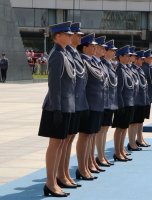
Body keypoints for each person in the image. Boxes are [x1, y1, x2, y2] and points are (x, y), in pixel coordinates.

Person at [38, 21, 75, 197]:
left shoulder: (64, 53)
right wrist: (58, 109)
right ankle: (50, 183)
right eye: (67, 34)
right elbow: (54, 86)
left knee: (60, 144)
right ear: (58, 36)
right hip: (56, 107)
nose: (70, 36)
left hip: (65, 106)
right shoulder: (57, 55)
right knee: (55, 145)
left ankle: (55, 180)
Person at [56, 22, 85, 189]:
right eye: (76, 35)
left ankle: (64, 172)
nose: (78, 37)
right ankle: (61, 174)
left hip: (75, 102)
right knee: (64, 141)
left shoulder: (73, 53)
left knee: (69, 140)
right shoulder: (64, 53)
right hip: (67, 102)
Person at [76, 33, 104, 180]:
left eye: (95, 46)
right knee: (85, 136)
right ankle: (82, 168)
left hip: (97, 104)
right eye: (92, 46)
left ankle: (87, 164)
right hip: (88, 104)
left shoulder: (93, 61)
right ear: (85, 47)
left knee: (91, 136)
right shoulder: (83, 61)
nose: (95, 48)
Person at [95, 39, 118, 167]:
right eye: (111, 50)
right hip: (103, 101)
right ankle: (99, 155)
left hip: (109, 101)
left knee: (104, 129)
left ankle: (102, 155)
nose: (114, 53)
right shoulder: (103, 63)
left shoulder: (109, 64)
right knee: (100, 130)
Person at [112, 45, 135, 162]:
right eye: (126, 56)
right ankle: (117, 152)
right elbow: (119, 90)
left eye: (128, 56)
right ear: (120, 57)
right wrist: (121, 105)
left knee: (124, 128)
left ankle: (121, 150)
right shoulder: (120, 70)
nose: (128, 58)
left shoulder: (126, 68)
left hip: (129, 102)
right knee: (120, 129)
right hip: (123, 104)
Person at [127, 49, 150, 151]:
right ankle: (132, 143)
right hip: (136, 100)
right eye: (141, 59)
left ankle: (139, 140)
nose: (142, 61)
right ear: (136, 59)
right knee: (133, 123)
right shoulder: (133, 69)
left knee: (139, 121)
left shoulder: (139, 69)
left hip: (141, 100)